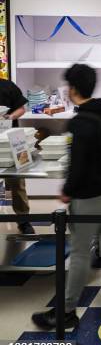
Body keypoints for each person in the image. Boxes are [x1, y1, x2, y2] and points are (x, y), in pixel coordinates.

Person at [32, 64, 101, 330]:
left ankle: (66, 311)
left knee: (80, 252)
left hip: (90, 197)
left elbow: (78, 166)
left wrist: (68, 191)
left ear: (73, 89)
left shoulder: (81, 123)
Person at [0, 78, 33, 234]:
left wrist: (9, 117)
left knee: (17, 182)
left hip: (11, 141)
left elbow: (21, 109)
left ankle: (23, 220)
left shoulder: (8, 86)